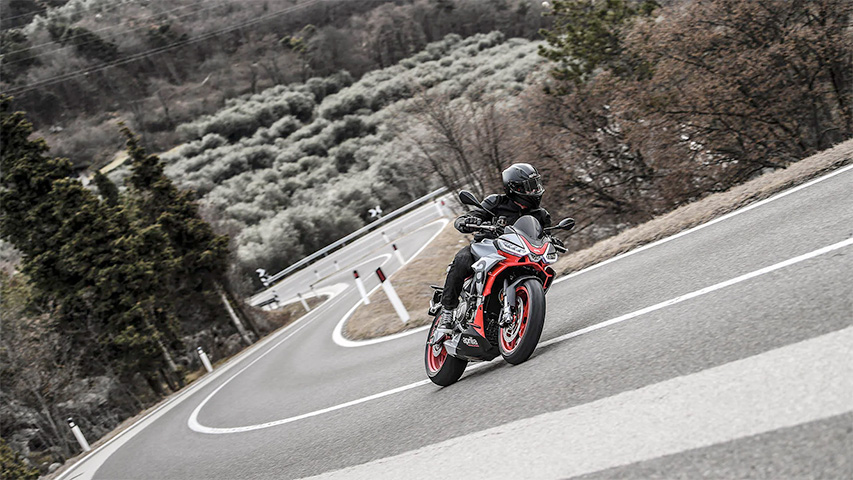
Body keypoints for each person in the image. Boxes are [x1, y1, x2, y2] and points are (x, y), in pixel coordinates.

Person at [439, 163, 552, 328]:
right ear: (515, 188)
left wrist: (552, 241)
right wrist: (468, 221)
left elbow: (546, 235)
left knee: (543, 270)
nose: (536, 190)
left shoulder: (541, 215)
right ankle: (447, 311)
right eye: (530, 187)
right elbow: (474, 214)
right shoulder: (496, 202)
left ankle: (525, 305)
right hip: (488, 247)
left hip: (519, 254)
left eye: (536, 185)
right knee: (462, 258)